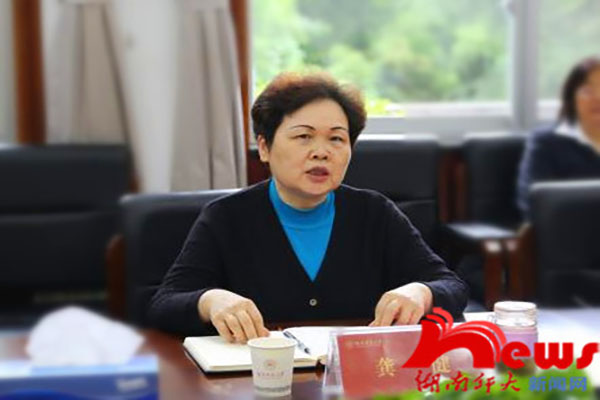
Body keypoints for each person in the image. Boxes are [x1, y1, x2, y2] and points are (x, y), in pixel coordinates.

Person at [148, 72, 468, 341]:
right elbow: (164, 305)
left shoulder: (375, 213)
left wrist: (420, 293)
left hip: (355, 379)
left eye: (336, 139)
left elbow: (451, 286)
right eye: (303, 137)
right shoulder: (226, 217)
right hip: (261, 378)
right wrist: (210, 300)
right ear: (265, 147)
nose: (321, 152)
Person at [517, 56, 600, 217]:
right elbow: (532, 203)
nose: (598, 98)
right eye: (587, 91)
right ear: (572, 99)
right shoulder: (546, 143)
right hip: (570, 229)